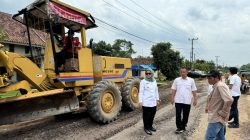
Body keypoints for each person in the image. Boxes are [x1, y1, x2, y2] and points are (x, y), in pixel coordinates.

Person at [205, 70, 233, 140]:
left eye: (210, 78)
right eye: (208, 78)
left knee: (209, 137)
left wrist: (223, 113)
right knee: (220, 137)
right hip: (217, 117)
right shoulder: (217, 85)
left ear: (216, 77)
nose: (208, 80)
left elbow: (229, 100)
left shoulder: (220, 86)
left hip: (217, 118)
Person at [171, 67, 197, 134]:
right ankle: (179, 127)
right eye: (181, 72)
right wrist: (172, 98)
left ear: (187, 72)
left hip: (187, 101)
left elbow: (194, 90)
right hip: (178, 100)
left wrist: (195, 99)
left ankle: (183, 126)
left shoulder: (191, 80)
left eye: (184, 72)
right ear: (180, 73)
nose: (183, 73)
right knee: (178, 114)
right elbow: (174, 89)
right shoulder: (176, 80)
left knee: (186, 115)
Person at [139, 68, 160, 135]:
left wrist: (157, 99)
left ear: (152, 74)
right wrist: (140, 101)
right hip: (146, 102)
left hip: (153, 102)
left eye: (149, 73)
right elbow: (141, 92)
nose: (148, 75)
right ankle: (146, 128)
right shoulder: (143, 81)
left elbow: (156, 91)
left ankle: (150, 126)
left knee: (152, 115)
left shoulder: (154, 81)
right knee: (146, 116)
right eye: (146, 73)